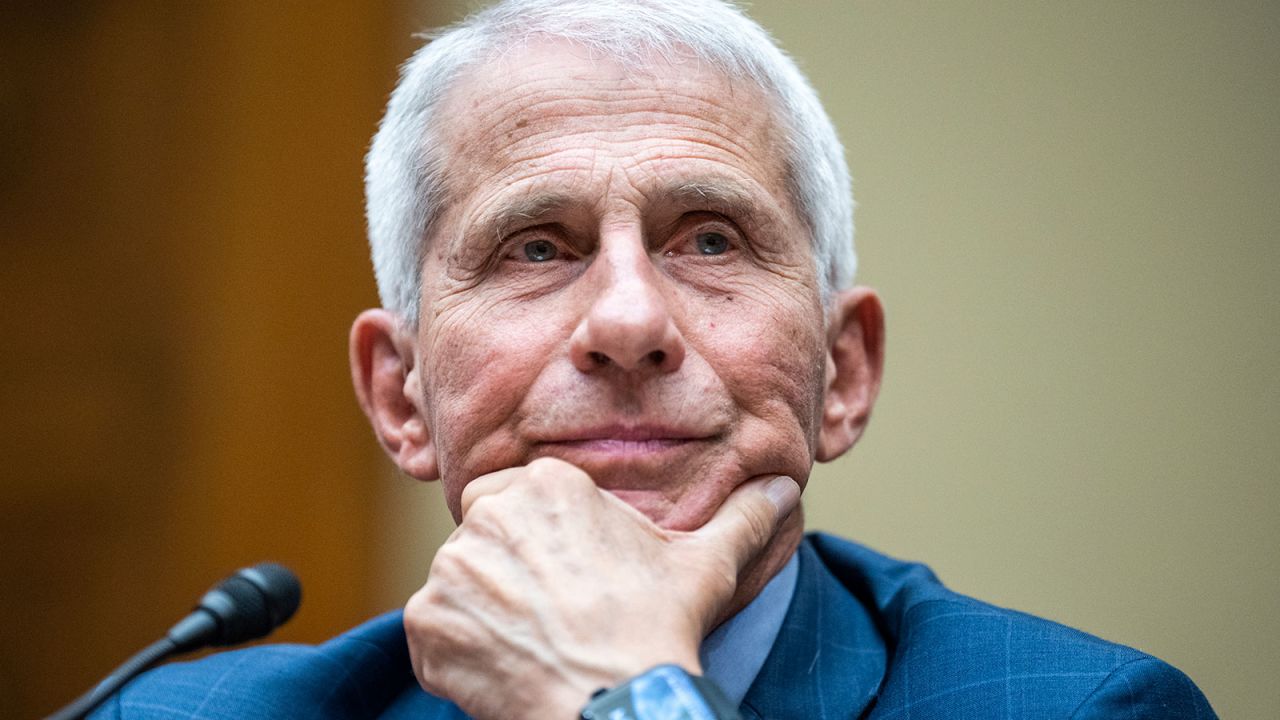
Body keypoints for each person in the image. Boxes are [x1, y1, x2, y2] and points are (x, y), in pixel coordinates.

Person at [93, 1, 1217, 718]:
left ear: (845, 371)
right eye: (536, 246)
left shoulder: (1077, 710)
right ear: (401, 395)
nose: (628, 321)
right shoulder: (185, 716)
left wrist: (620, 698)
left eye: (709, 239)